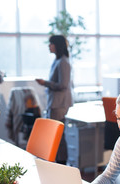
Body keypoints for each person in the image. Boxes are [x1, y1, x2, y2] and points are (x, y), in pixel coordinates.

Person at [36, 35, 73, 165]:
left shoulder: (63, 62)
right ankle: (58, 162)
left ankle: (61, 164)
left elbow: (63, 84)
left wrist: (45, 83)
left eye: (51, 43)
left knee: (58, 137)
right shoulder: (58, 61)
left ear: (57, 45)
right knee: (56, 136)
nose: (49, 46)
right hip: (55, 103)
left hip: (59, 104)